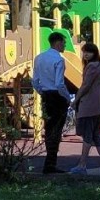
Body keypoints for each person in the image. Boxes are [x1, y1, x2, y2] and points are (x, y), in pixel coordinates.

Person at [69, 42, 100, 179]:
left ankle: (82, 165)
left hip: (90, 105)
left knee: (87, 135)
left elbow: (86, 85)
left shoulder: (92, 66)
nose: (86, 54)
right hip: (99, 105)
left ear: (94, 53)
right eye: (84, 52)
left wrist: (76, 100)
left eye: (89, 52)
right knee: (97, 135)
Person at [31, 32, 71, 174]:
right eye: (64, 43)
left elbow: (35, 81)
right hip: (58, 96)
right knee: (57, 129)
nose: (64, 46)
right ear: (58, 43)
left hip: (47, 95)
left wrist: (42, 92)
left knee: (49, 128)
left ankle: (49, 161)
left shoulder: (39, 58)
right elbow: (60, 83)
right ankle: (51, 163)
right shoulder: (59, 60)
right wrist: (68, 98)